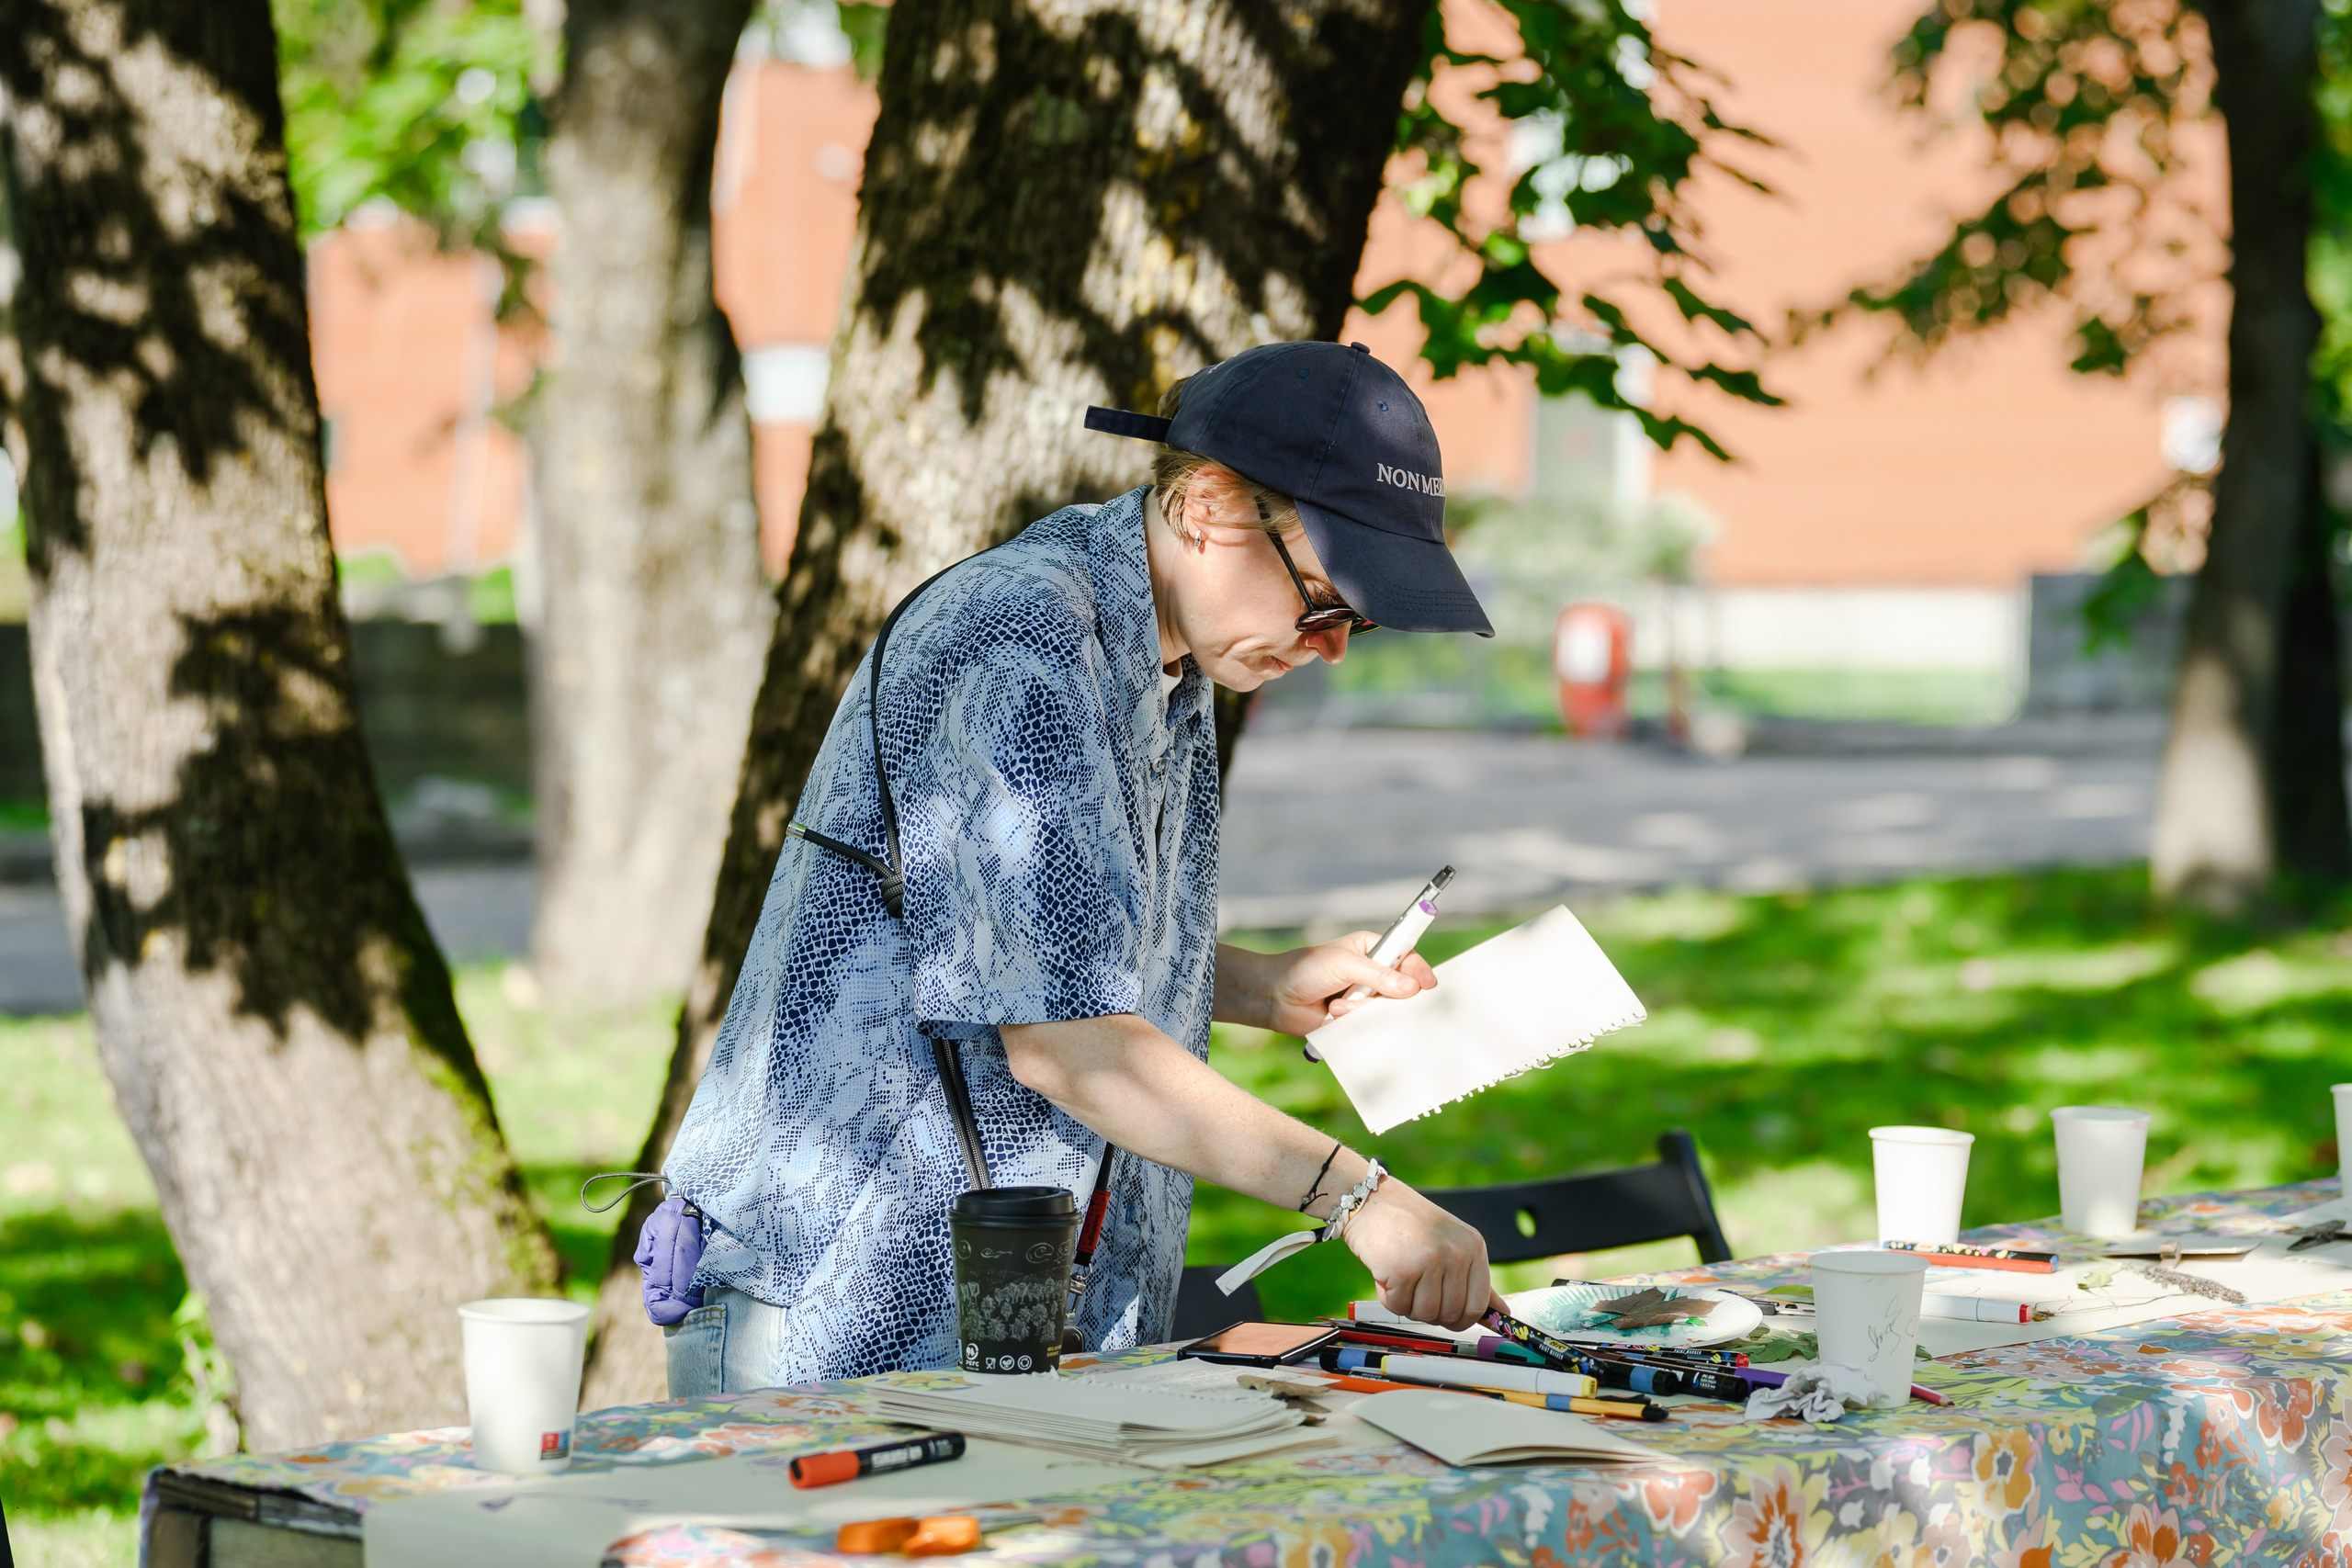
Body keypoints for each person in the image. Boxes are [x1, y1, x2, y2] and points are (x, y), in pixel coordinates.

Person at [661, 340, 1503, 1392]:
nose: (1331, 646)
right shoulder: (1020, 639)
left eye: (1357, 622)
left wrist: (1264, 986)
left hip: (999, 1292)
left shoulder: (1170, 655)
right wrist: (1359, 1198)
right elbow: (1066, 1044)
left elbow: (1018, 947)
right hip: (841, 1285)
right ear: (1209, 507)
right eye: (1325, 600)